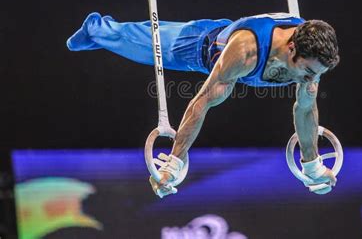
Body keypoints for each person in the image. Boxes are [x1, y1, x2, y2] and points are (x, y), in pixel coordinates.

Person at [67, 12, 340, 196]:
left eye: (317, 74)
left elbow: (305, 109)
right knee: (136, 42)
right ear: (291, 48)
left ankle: (100, 32)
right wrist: (173, 163)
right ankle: (96, 28)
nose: (311, 80)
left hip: (233, 37)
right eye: (307, 72)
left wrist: (313, 166)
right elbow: (202, 103)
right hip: (197, 45)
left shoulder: (310, 56)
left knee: (308, 92)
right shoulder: (246, 52)